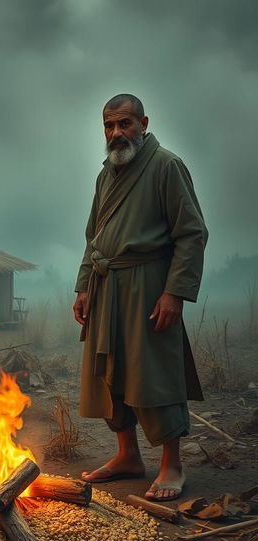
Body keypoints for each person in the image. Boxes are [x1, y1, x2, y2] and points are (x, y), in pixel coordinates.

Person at [73, 94, 208, 501]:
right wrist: (83, 285)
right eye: (109, 126)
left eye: (125, 124)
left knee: (154, 373)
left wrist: (175, 292)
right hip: (106, 285)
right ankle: (128, 456)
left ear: (143, 123)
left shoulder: (166, 165)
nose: (116, 133)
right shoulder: (105, 175)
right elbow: (93, 237)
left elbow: (191, 234)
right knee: (110, 372)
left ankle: (172, 465)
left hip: (149, 286)